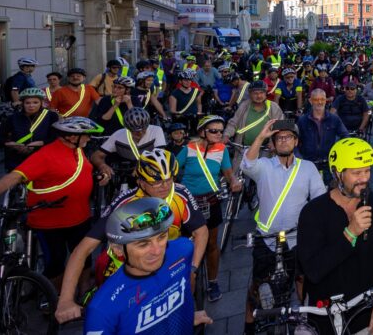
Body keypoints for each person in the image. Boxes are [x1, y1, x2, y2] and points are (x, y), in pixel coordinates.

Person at [55, 149, 208, 324]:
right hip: (131, 264)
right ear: (141, 182)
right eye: (156, 182)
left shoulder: (180, 194)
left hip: (167, 258)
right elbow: (83, 249)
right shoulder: (125, 203)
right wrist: (65, 300)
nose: (165, 186)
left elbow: (201, 232)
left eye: (169, 179)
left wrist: (193, 269)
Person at [0, 116, 103, 288]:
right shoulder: (46, 155)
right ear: (72, 137)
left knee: (84, 257)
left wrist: (97, 176)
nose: (89, 138)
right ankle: (52, 297)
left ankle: (83, 289)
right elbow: (15, 176)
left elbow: (80, 171)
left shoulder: (78, 149)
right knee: (56, 262)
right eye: (86, 134)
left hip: (80, 217)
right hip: (51, 222)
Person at [298, 138, 373, 335]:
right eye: (356, 173)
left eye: (366, 171)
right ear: (338, 173)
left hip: (367, 314)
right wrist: (350, 233)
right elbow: (313, 270)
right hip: (324, 318)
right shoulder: (313, 212)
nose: (364, 178)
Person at [241, 118, 325, 333]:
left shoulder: (308, 168)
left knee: (301, 278)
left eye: (288, 137)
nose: (284, 141)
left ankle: (304, 316)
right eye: (279, 138)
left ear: (296, 142)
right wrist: (261, 135)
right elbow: (247, 164)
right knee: (257, 286)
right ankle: (248, 324)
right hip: (266, 238)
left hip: (296, 237)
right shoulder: (264, 166)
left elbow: (318, 200)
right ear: (273, 143)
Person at [82, 198, 212, 334]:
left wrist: (187, 315)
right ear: (118, 249)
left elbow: (186, 283)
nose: (157, 251)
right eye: (143, 244)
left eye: (161, 237)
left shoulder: (183, 250)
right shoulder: (101, 309)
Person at [176, 115, 242, 302]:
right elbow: (172, 170)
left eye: (221, 131)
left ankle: (213, 281)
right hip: (189, 203)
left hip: (211, 201)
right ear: (202, 132)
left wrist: (234, 182)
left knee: (212, 244)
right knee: (184, 244)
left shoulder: (222, 150)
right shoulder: (188, 149)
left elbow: (228, 173)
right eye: (213, 130)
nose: (218, 134)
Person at [91, 107, 165, 186]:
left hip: (149, 168)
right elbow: (96, 156)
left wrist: (141, 167)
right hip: (124, 169)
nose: (140, 133)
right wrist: (102, 166)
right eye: (135, 131)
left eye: (143, 129)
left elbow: (160, 155)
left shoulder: (156, 130)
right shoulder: (118, 135)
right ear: (127, 128)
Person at [0, 86, 59, 171]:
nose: (31, 106)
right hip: (17, 160)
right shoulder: (13, 118)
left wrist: (41, 143)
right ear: (22, 104)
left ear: (41, 103)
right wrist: (10, 144)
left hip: (42, 158)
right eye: (27, 103)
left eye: (35, 102)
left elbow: (56, 138)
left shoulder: (51, 116)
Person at [297, 88, 350, 173]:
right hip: (308, 164)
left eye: (322, 99)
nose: (320, 102)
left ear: (326, 100)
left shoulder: (334, 119)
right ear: (310, 101)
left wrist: (339, 153)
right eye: (316, 99)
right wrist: (299, 157)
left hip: (329, 163)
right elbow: (295, 140)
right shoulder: (303, 120)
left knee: (330, 186)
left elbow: (345, 136)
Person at [224, 80, 283, 150]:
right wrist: (226, 135)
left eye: (261, 93)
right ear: (249, 94)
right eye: (255, 93)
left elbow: (280, 127)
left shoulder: (273, 107)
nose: (259, 96)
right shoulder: (244, 106)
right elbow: (233, 123)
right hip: (244, 149)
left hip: (266, 150)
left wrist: (273, 142)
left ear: (265, 94)